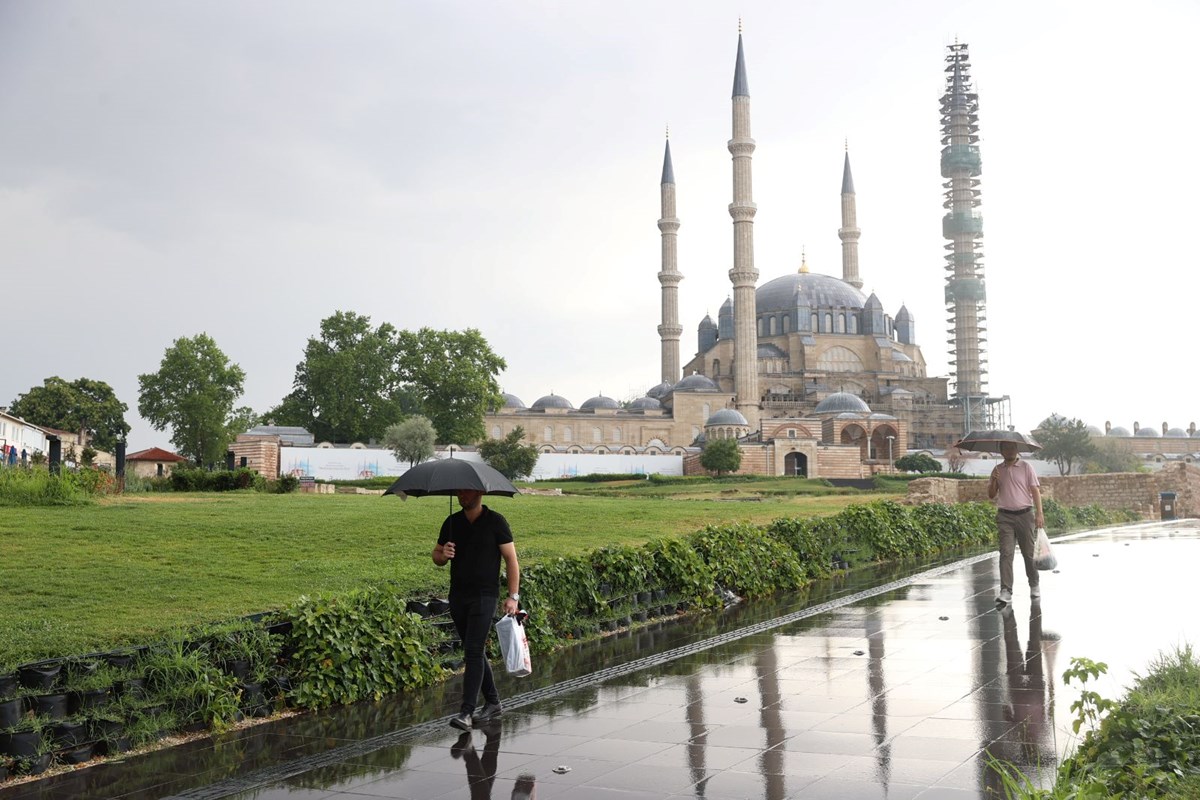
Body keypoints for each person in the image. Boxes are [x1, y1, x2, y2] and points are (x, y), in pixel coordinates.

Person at [433, 489, 521, 731]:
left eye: (467, 492)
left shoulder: (496, 522)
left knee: (473, 650)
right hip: (458, 596)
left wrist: (513, 596)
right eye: (460, 492)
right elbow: (436, 555)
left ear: (480, 493)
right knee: (474, 649)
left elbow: (511, 560)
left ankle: (466, 712)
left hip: (485, 596)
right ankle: (493, 702)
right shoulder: (452, 522)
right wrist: (444, 554)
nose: (463, 496)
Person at [988, 441, 1045, 606]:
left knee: (1028, 553)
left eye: (1012, 447)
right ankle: (1006, 590)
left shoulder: (1027, 467)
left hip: (1025, 515)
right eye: (1006, 448)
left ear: (1017, 449)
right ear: (1001, 451)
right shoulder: (997, 470)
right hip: (1005, 516)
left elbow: (1035, 491)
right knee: (1006, 553)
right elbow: (991, 494)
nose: (1009, 450)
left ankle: (1034, 584)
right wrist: (993, 480)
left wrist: (1039, 514)